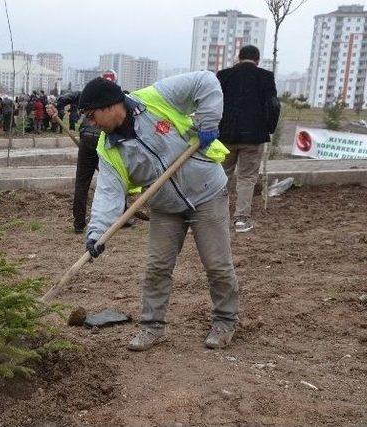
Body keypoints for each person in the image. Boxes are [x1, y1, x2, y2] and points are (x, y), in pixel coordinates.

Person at [78, 73, 239, 351]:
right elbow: (108, 193)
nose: (90, 123)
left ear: (110, 106)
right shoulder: (108, 148)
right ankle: (152, 327)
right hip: (165, 207)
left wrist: (208, 121)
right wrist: (96, 233)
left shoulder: (156, 98)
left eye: (92, 116)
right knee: (157, 267)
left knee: (217, 264)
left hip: (207, 192)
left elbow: (206, 81)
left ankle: (225, 322)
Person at [217, 45, 280, 233]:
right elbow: (274, 105)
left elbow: (215, 102)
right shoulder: (266, 77)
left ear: (239, 57)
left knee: (221, 176)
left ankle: (217, 216)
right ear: (258, 60)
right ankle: (241, 220)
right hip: (253, 137)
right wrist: (267, 129)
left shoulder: (223, 75)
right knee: (247, 177)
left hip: (225, 136)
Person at [51, 70, 119, 233]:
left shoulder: (89, 94)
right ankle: (121, 217)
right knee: (114, 179)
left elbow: (70, 96)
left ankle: (79, 223)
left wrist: (56, 105)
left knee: (82, 181)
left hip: (87, 136)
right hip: (104, 138)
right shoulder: (117, 97)